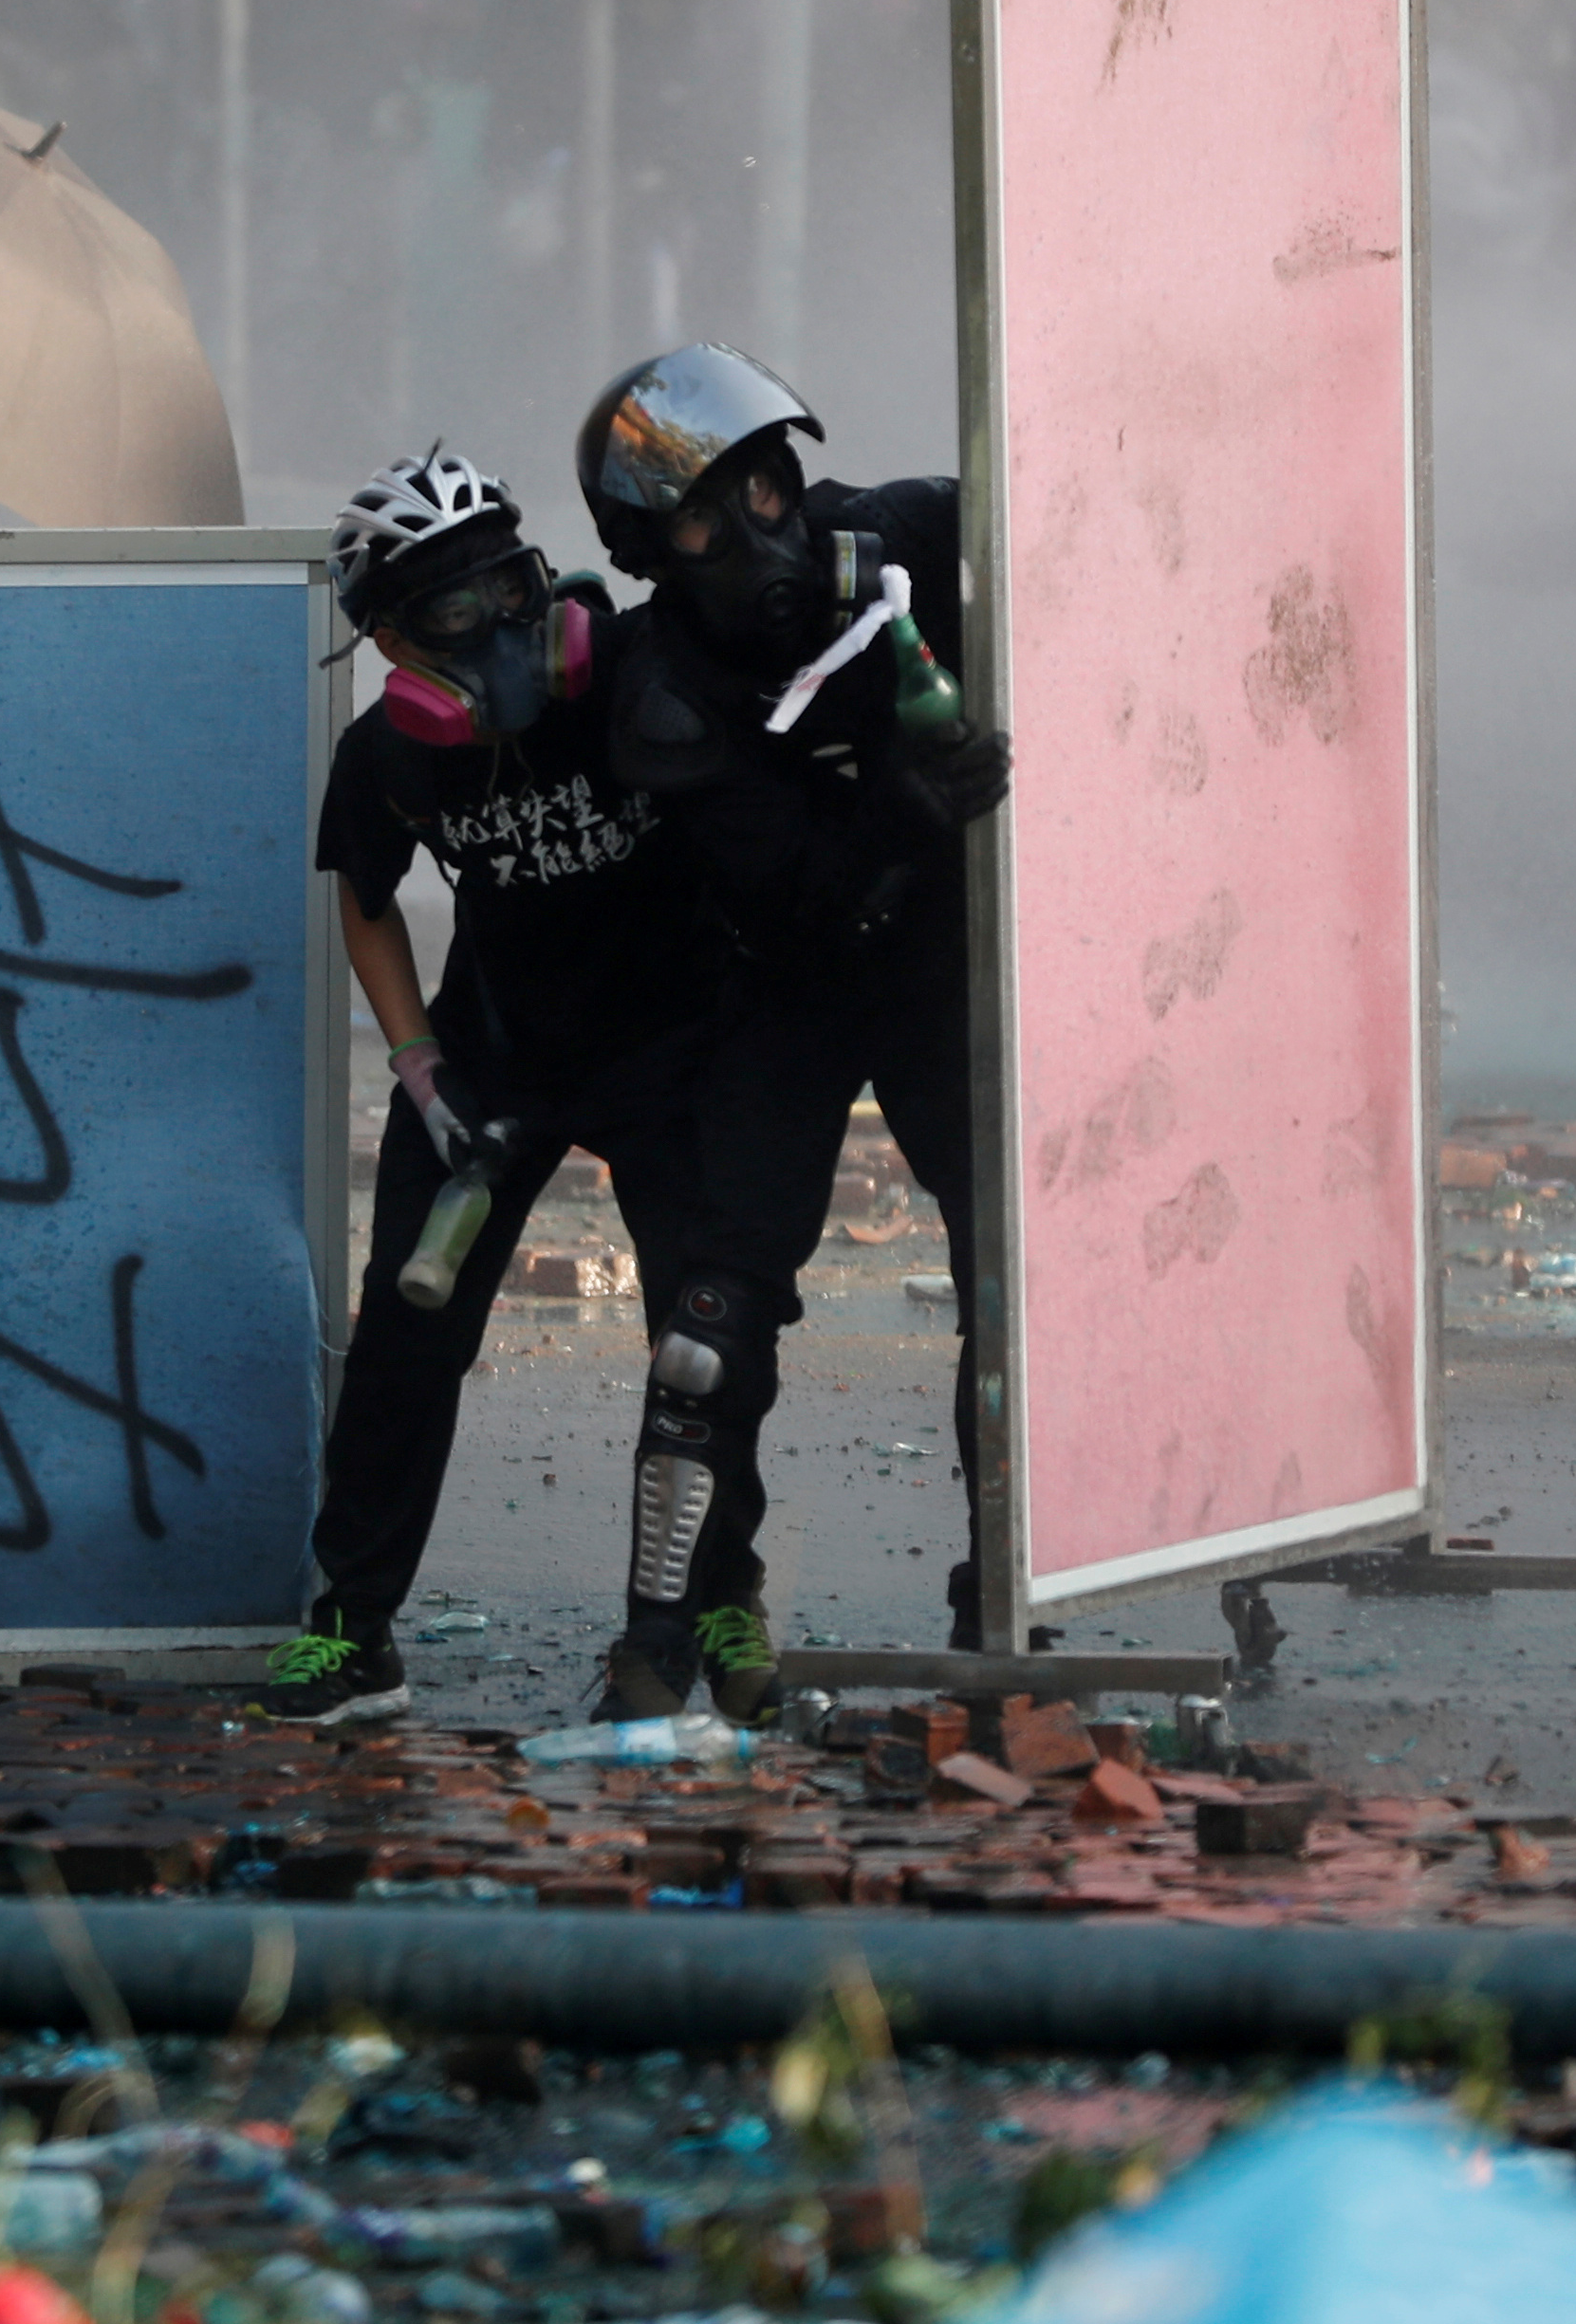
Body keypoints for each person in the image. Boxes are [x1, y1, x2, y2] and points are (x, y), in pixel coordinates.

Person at [259, 446, 757, 1727]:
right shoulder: (387, 759)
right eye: (450, 609)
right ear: (386, 642)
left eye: (509, 586)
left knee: (704, 1349)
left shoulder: (628, 682)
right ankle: (353, 1629)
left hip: (673, 1051)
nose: (497, 627)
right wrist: (419, 1070)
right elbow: (364, 905)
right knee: (403, 1352)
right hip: (494, 1060)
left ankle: (716, 1606)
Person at [571, 343, 1015, 1656]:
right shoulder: (661, 699)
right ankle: (673, 1627)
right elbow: (791, 896)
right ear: (654, 552)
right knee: (710, 1324)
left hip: (939, 963)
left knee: (1009, 1278)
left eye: (764, 492)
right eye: (706, 520)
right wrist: (902, 801)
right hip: (780, 984)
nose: (756, 536)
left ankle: (1005, 1586)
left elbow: (1077, 530)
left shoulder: (905, 539)